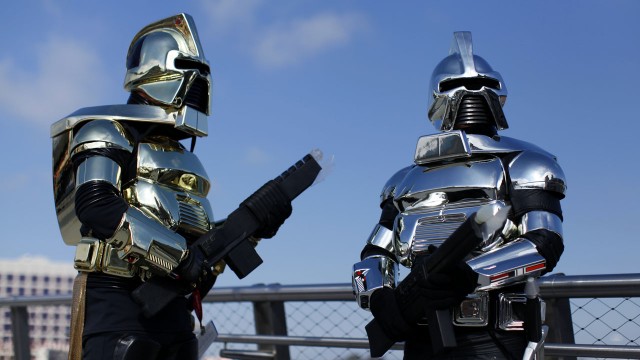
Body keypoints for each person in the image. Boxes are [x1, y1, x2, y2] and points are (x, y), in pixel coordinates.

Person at [51, 14, 292, 360]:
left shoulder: (182, 158)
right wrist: (179, 256)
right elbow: (97, 204)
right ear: (153, 71)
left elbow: (200, 250)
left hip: (176, 306)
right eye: (188, 66)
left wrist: (253, 228)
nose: (199, 81)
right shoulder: (105, 130)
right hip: (119, 297)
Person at [351, 31, 567, 360]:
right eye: (456, 86)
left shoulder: (524, 165)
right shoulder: (405, 181)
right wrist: (380, 297)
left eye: (484, 85)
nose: (472, 94)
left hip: (497, 333)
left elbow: (543, 244)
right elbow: (374, 254)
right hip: (422, 331)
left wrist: (469, 276)